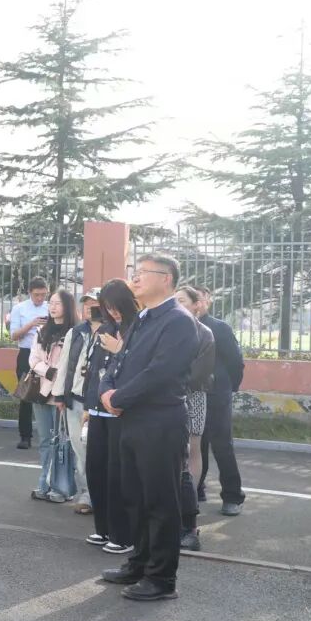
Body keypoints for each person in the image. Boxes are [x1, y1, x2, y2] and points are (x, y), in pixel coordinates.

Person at [99, 253, 199, 602]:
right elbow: (119, 360)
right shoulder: (143, 318)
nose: (135, 279)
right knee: (136, 498)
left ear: (166, 279)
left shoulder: (178, 321)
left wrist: (118, 397)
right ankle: (140, 563)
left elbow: (160, 372)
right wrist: (106, 390)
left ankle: (161, 578)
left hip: (160, 421)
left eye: (143, 273)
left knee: (160, 500)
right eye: (135, 272)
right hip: (132, 419)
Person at [83, 279, 139, 555]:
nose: (113, 312)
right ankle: (103, 528)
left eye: (116, 306)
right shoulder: (105, 329)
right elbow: (94, 369)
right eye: (107, 307)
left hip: (121, 411)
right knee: (96, 469)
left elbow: (142, 368)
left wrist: (120, 350)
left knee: (118, 473)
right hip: (97, 409)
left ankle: (123, 534)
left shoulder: (138, 328)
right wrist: (87, 405)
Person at [194, 286, 246, 516]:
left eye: (201, 298)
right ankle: (196, 490)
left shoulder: (219, 327)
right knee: (196, 445)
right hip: (192, 394)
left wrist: (227, 388)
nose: (197, 303)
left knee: (222, 445)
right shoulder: (181, 327)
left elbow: (236, 362)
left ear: (207, 301)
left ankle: (232, 496)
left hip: (217, 395)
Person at [175, 286, 217, 551]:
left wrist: (172, 383)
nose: (177, 305)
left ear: (195, 305)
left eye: (182, 301)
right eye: (175, 300)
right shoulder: (167, 330)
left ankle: (190, 498)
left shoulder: (204, 333)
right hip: (168, 396)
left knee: (192, 447)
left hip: (194, 395)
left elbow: (199, 372)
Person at [51, 289, 99, 513]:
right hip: (75, 400)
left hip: (98, 402)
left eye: (94, 304)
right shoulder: (76, 332)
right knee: (80, 451)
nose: (89, 308)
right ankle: (88, 494)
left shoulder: (113, 331)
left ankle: (103, 494)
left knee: (98, 450)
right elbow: (64, 364)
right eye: (86, 304)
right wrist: (60, 394)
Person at [29, 290, 77, 503]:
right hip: (42, 391)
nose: (53, 307)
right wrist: (49, 371)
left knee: (63, 442)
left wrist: (59, 375)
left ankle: (62, 487)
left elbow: (73, 363)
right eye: (51, 303)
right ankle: (44, 483)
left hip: (62, 394)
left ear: (68, 306)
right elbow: (33, 359)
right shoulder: (42, 331)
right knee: (46, 440)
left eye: (58, 303)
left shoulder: (75, 332)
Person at [9, 277, 50, 449]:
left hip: (47, 354)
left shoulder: (50, 307)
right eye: (36, 295)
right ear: (29, 293)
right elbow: (13, 335)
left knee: (48, 393)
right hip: (26, 353)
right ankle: (25, 436)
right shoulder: (19, 308)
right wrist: (31, 324)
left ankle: (48, 435)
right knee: (26, 395)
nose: (40, 298)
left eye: (43, 294)